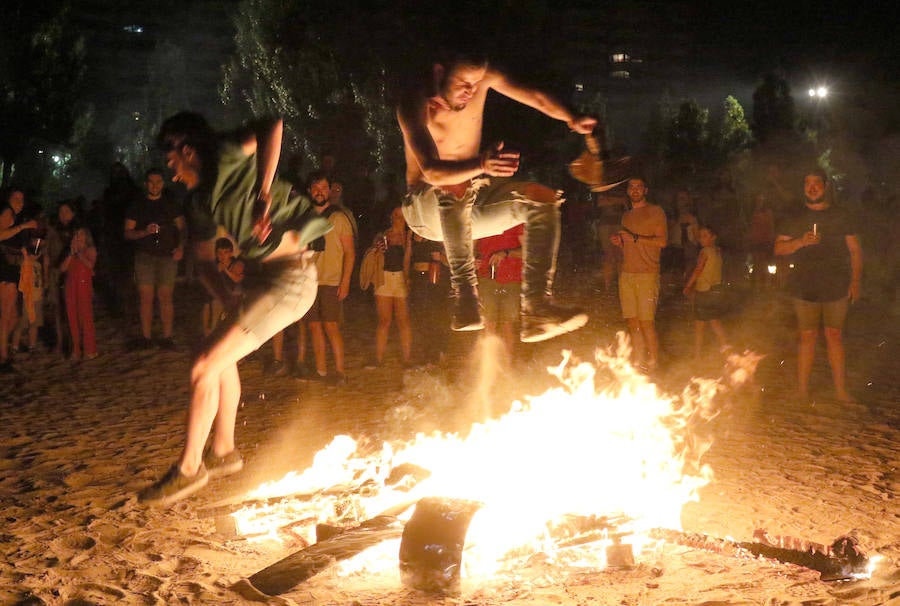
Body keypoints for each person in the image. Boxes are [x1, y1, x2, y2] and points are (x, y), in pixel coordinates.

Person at [138, 112, 329, 505]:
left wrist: (263, 193)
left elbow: (272, 125)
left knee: (204, 366)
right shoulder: (198, 203)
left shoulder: (228, 154)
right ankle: (223, 451)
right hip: (264, 280)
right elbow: (205, 263)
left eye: (172, 163)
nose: (172, 174)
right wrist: (227, 298)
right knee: (213, 358)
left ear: (187, 150)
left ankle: (189, 470)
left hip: (292, 279)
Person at [397, 51, 595, 342]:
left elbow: (536, 98)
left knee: (542, 198)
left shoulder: (480, 82)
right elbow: (431, 170)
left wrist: (571, 117)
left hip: (466, 208)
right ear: (440, 72)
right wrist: (481, 165)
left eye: (477, 84)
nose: (471, 91)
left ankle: (537, 308)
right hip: (423, 208)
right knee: (455, 185)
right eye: (463, 83)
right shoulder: (415, 102)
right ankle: (464, 297)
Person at [774, 169, 862, 402]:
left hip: (836, 285)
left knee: (834, 335)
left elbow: (854, 250)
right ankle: (802, 390)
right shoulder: (793, 215)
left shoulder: (841, 215)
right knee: (807, 337)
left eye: (817, 183)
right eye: (807, 183)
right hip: (804, 286)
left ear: (826, 186)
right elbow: (779, 248)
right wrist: (801, 242)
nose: (812, 187)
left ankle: (841, 391)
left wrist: (855, 281)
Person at [301, 171, 355, 386]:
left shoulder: (338, 217)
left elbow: (350, 252)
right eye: (316, 188)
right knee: (314, 326)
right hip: (310, 280)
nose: (319, 192)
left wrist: (346, 281)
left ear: (330, 191)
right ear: (309, 191)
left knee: (331, 325)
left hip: (331, 280)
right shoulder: (306, 218)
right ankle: (321, 371)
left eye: (323, 188)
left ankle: (340, 371)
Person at [124, 168, 187, 349]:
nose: (154, 185)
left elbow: (182, 228)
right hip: (144, 256)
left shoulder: (171, 204)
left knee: (165, 297)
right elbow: (127, 232)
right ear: (146, 184)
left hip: (167, 256)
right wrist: (144, 232)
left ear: (163, 183)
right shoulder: (137, 205)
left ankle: (167, 337)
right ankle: (146, 337)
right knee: (146, 298)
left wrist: (181, 247)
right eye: (151, 182)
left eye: (158, 182)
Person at [610, 177, 667, 370]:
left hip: (647, 274)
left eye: (639, 187)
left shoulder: (655, 211)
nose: (635, 190)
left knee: (646, 323)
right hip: (627, 274)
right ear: (627, 191)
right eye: (631, 187)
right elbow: (629, 245)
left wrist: (635, 238)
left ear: (645, 190)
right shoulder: (626, 216)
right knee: (632, 323)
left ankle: (653, 364)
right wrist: (620, 242)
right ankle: (638, 362)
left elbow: (662, 242)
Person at [365, 205, 412, 368]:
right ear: (391, 217)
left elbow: (407, 260)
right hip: (384, 279)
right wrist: (377, 249)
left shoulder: (408, 236)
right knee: (384, 321)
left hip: (399, 279)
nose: (399, 218)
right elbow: (373, 254)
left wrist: (407, 279)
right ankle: (378, 359)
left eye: (402, 215)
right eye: (396, 215)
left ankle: (407, 359)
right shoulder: (383, 235)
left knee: (403, 321)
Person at [1, 188, 39, 370]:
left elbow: (11, 242)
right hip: (4, 270)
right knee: (7, 315)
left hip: (11, 269)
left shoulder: (14, 218)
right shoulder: (7, 212)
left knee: (13, 317)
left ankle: (3, 350)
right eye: (16, 198)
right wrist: (24, 227)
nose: (20, 202)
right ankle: (3, 357)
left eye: (22, 199)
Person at [476, 224, 524, 358]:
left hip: (511, 279)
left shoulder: (515, 221)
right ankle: (488, 369)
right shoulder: (484, 219)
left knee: (507, 325)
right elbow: (472, 248)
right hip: (487, 278)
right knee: (488, 325)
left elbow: (527, 251)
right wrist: (474, 260)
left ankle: (506, 369)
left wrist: (506, 253)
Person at [683, 224, 729, 359]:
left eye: (705, 236)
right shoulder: (717, 251)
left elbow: (699, 269)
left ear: (713, 237)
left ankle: (697, 355)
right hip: (715, 291)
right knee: (715, 322)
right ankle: (727, 351)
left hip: (704, 292)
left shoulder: (705, 251)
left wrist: (688, 285)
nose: (701, 239)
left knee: (699, 326)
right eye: (700, 236)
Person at [408, 232, 450, 366]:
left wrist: (438, 256)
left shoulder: (434, 232)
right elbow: (409, 255)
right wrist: (406, 276)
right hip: (417, 277)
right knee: (420, 317)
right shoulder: (412, 232)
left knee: (434, 317)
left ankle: (438, 352)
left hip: (434, 277)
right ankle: (425, 353)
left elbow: (443, 259)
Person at [45, 200, 80, 355]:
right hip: (55, 273)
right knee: (57, 309)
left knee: (73, 309)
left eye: (66, 211)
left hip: (73, 273)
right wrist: (46, 276)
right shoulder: (52, 231)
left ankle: (74, 342)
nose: (63, 215)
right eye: (60, 212)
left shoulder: (79, 232)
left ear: (73, 213)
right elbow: (46, 254)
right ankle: (60, 341)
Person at [60, 227, 98, 360]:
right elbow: (62, 268)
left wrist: (79, 253)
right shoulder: (70, 252)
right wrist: (71, 253)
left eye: (81, 234)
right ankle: (75, 349)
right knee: (72, 317)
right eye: (76, 234)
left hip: (83, 286)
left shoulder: (90, 250)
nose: (78, 237)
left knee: (85, 317)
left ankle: (90, 349)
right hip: (70, 286)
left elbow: (90, 265)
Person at [201, 237, 244, 337]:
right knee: (209, 304)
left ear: (231, 253)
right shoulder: (213, 266)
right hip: (220, 299)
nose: (222, 256)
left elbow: (237, 279)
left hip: (235, 298)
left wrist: (225, 270)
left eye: (226, 252)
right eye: (219, 253)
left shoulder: (237, 264)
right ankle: (209, 335)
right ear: (216, 254)